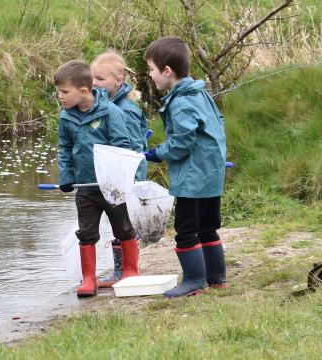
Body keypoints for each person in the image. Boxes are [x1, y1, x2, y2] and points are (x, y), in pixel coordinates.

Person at [143, 36, 227, 298]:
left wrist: (156, 153)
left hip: (193, 180)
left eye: (152, 70)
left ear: (167, 71)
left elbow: (182, 143)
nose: (150, 75)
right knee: (208, 228)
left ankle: (194, 280)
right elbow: (217, 124)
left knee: (186, 231)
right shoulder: (201, 93)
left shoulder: (180, 102)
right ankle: (217, 278)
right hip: (211, 175)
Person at [54, 60, 141, 297]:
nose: (60, 97)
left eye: (64, 92)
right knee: (86, 231)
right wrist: (66, 176)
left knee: (123, 228)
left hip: (111, 187)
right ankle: (89, 279)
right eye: (58, 92)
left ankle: (131, 271)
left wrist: (115, 177)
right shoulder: (66, 118)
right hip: (85, 188)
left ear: (83, 91)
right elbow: (65, 148)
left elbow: (122, 147)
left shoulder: (111, 112)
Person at [90, 51, 149, 288]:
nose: (94, 83)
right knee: (117, 224)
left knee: (123, 224)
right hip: (112, 175)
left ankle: (125, 270)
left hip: (126, 177)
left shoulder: (126, 110)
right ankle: (120, 269)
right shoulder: (105, 106)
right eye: (92, 78)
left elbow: (134, 149)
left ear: (118, 80)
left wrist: (129, 180)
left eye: (101, 79)